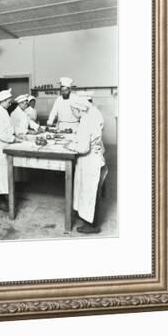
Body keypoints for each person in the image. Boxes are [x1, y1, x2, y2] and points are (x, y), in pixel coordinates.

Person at [65, 96, 108, 234]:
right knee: (86, 191)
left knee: (90, 193)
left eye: (72, 109)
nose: (72, 112)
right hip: (90, 160)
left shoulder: (85, 123)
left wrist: (70, 145)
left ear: (78, 110)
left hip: (91, 162)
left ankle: (92, 225)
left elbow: (83, 148)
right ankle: (86, 217)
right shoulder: (87, 119)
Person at [0, 88, 18, 212]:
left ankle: (5, 197)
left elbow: (8, 128)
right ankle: (0, 201)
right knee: (0, 173)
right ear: (3, 101)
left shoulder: (4, 112)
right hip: (0, 146)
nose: (10, 103)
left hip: (5, 146)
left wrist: (14, 135)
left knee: (4, 173)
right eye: (9, 101)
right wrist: (13, 139)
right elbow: (1, 133)